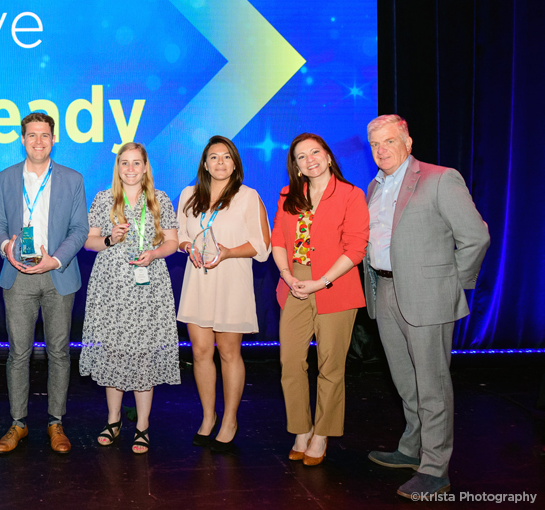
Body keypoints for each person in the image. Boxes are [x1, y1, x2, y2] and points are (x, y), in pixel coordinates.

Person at [362, 115, 489, 498]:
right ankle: (412, 448)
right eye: (375, 145)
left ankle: (435, 468)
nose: (381, 150)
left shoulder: (439, 178)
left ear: (408, 141)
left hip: (427, 296)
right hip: (384, 291)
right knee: (405, 380)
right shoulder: (374, 186)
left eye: (388, 141)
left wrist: (451, 284)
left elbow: (476, 237)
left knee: (432, 385)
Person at [0, 112, 90, 454]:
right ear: (22, 139)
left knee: (59, 353)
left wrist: (55, 259)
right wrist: (7, 248)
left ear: (53, 139)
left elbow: (79, 230)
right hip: (17, 275)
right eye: (32, 135)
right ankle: (18, 424)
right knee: (18, 353)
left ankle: (55, 422)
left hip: (58, 274)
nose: (38, 141)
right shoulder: (6, 178)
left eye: (45, 135)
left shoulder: (72, 179)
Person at [271, 133, 369, 466]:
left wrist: (320, 282)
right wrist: (287, 275)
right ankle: (301, 428)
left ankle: (322, 433)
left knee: (330, 365)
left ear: (328, 156)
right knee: (291, 363)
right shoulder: (289, 195)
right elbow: (278, 240)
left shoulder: (351, 195)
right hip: (295, 284)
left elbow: (356, 249)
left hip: (335, 286)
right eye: (301, 156)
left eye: (315, 152)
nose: (309, 159)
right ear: (295, 166)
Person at [80, 142, 180, 454]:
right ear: (118, 167)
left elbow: (173, 242)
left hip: (148, 289)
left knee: (143, 353)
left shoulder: (160, 199)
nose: (131, 169)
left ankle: (143, 425)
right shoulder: (104, 198)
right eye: (125, 163)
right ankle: (113, 420)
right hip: (111, 288)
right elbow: (88, 241)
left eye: (137, 163)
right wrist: (110, 238)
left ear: (146, 167)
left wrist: (154, 253)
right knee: (113, 351)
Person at [176, 135, 270, 452]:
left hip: (231, 281)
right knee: (201, 352)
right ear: (204, 163)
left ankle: (230, 419)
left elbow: (262, 246)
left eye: (226, 157)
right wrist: (189, 246)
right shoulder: (188, 195)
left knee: (229, 353)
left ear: (235, 163)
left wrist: (228, 252)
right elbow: (181, 237)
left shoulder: (248, 196)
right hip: (198, 281)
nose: (220, 162)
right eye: (214, 157)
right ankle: (208, 417)